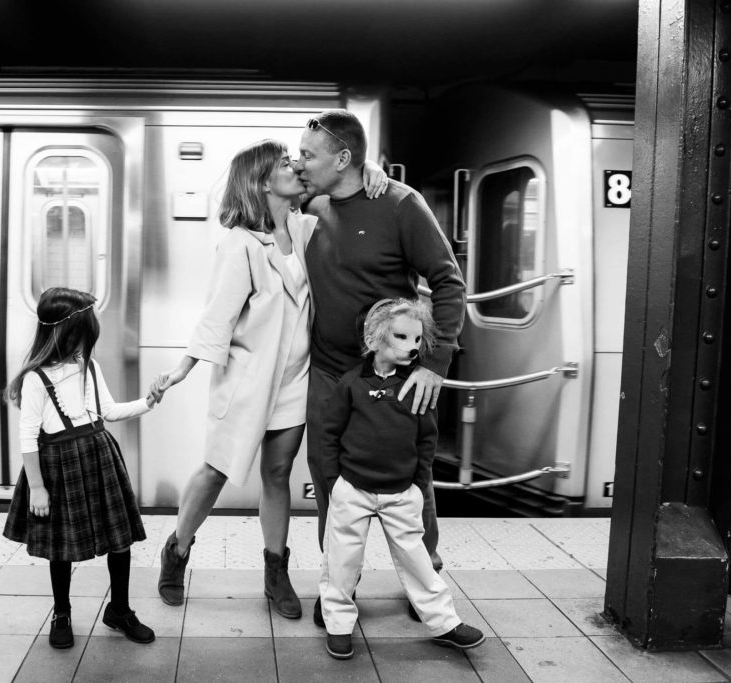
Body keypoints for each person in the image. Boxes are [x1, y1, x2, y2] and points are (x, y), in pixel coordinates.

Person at [153, 139, 388, 620]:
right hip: (245, 380)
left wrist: (374, 172)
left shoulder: (305, 228)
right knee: (216, 470)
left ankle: (275, 571)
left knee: (277, 474)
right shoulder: (240, 243)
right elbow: (218, 315)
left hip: (295, 380)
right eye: (285, 163)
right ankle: (176, 550)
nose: (295, 165)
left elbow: (342, 190)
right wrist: (183, 369)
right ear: (262, 181)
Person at [295, 109, 466, 626]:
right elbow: (265, 185)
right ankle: (337, 591)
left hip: (394, 373)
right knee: (329, 478)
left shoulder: (400, 204)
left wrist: (433, 364)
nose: (300, 163)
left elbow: (448, 283)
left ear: (344, 158)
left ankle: (426, 579)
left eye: (309, 155)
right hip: (330, 372)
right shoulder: (314, 201)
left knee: (413, 477)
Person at [318, 298, 484, 659]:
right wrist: (336, 483)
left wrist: (417, 482)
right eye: (401, 336)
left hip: (401, 491)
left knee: (418, 560)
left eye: (416, 339)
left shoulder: (417, 386)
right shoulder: (351, 384)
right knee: (341, 561)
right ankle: (339, 625)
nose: (412, 346)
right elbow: (328, 435)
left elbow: (428, 437)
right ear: (374, 338)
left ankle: (445, 622)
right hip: (353, 490)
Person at [2, 287, 160, 648]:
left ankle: (119, 609)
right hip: (57, 467)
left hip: (99, 456)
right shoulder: (35, 379)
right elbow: (28, 437)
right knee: (62, 547)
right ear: (66, 332)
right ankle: (62, 613)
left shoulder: (89, 367)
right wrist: (37, 488)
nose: (88, 342)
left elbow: (108, 411)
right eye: (85, 333)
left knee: (120, 541)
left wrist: (148, 402)